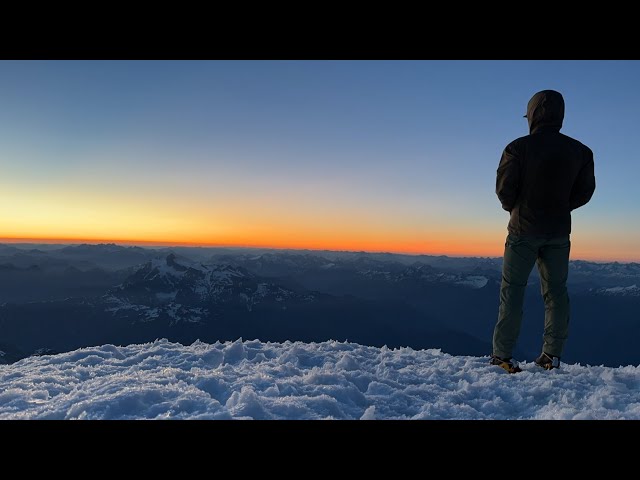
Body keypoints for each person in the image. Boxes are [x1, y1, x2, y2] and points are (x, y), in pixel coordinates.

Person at [491, 90, 596, 373]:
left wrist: (517, 209)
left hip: (522, 231)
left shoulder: (517, 148)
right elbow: (585, 193)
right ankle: (552, 355)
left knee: (512, 291)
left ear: (533, 115)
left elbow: (504, 191)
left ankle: (502, 356)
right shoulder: (581, 152)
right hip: (559, 232)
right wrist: (561, 207)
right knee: (556, 293)